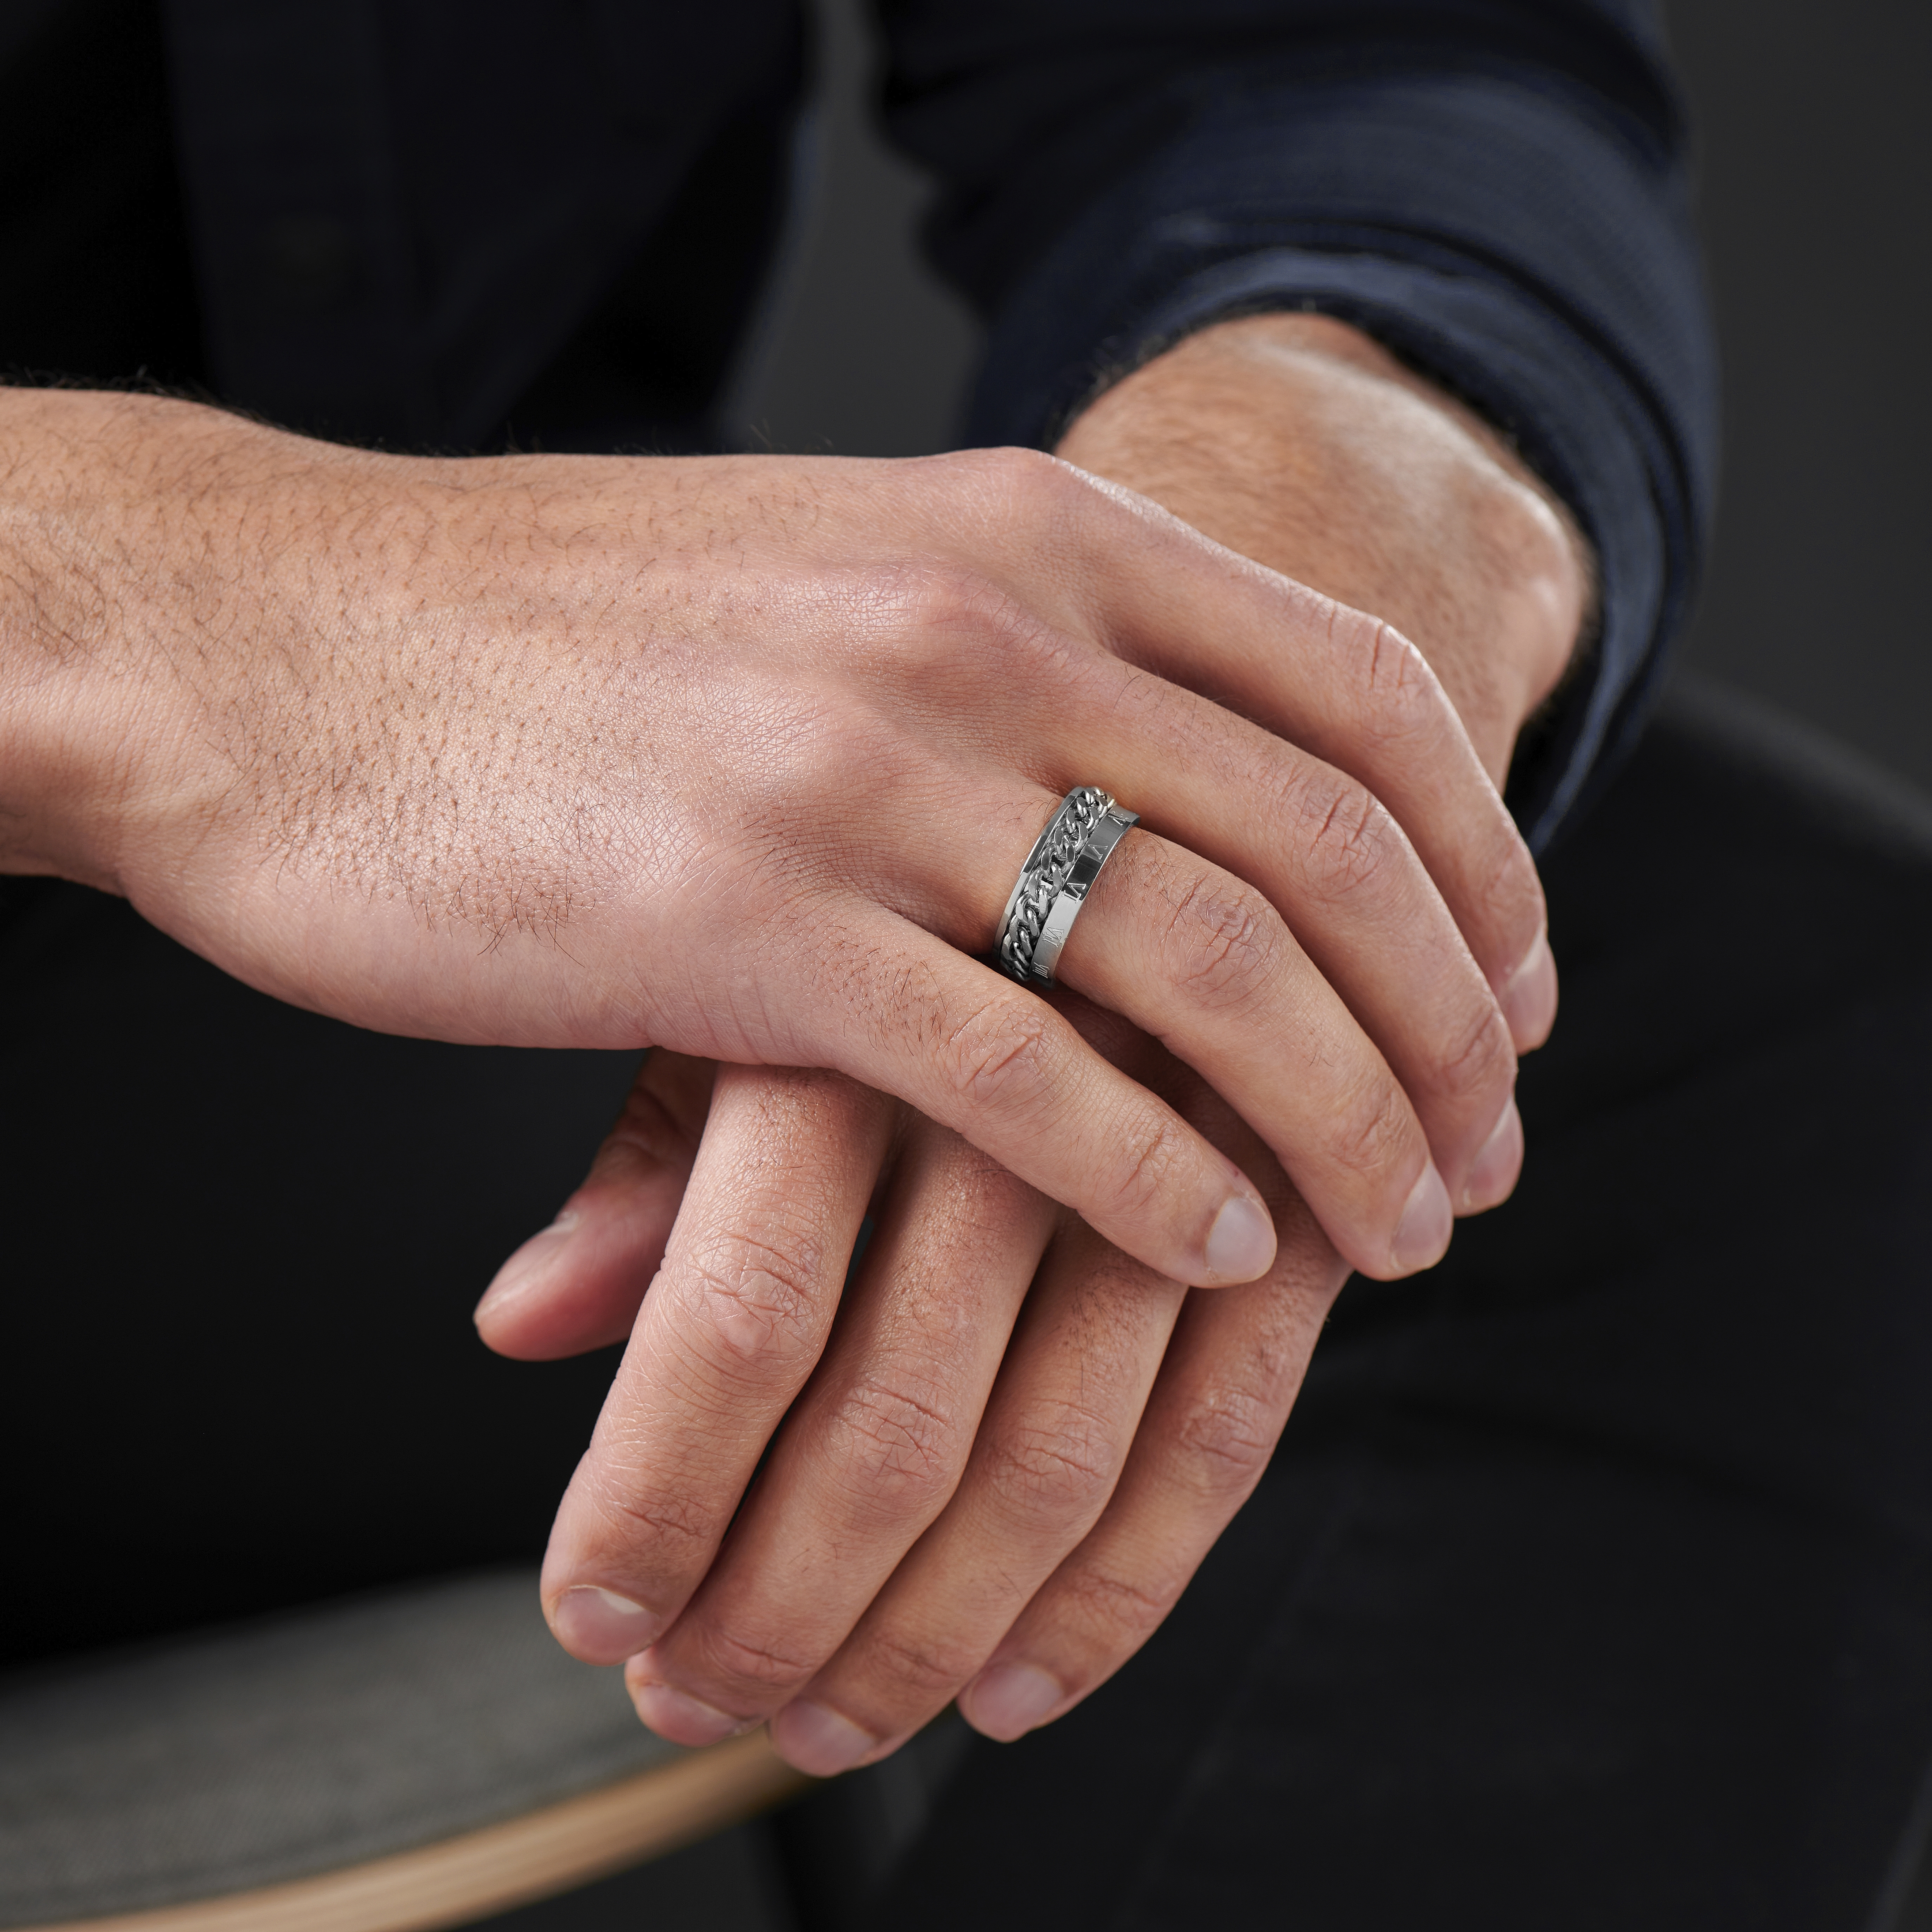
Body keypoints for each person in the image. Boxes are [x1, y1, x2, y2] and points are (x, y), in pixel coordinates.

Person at [20, 2, 1922, 1927]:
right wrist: (202, 608)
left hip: (334, 1082)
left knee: (1688, 1052)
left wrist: (1257, 599)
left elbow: (1352, 57)